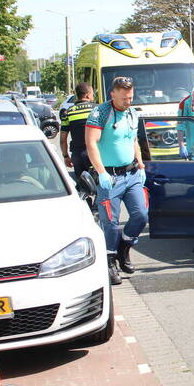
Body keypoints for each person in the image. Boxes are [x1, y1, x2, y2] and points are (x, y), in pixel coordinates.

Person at [85, 76, 148, 285]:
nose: (128, 102)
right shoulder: (100, 113)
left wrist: (140, 164)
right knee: (110, 223)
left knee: (140, 215)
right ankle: (110, 260)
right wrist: (101, 172)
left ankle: (124, 248)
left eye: (130, 97)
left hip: (131, 175)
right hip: (110, 177)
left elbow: (133, 140)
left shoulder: (132, 113)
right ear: (112, 94)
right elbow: (91, 143)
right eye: (123, 98)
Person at [60, 82, 96, 180]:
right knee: (99, 186)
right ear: (88, 94)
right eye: (93, 93)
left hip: (77, 155)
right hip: (95, 153)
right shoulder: (97, 110)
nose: (93, 96)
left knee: (83, 186)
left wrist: (66, 156)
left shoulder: (68, 112)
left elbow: (63, 139)